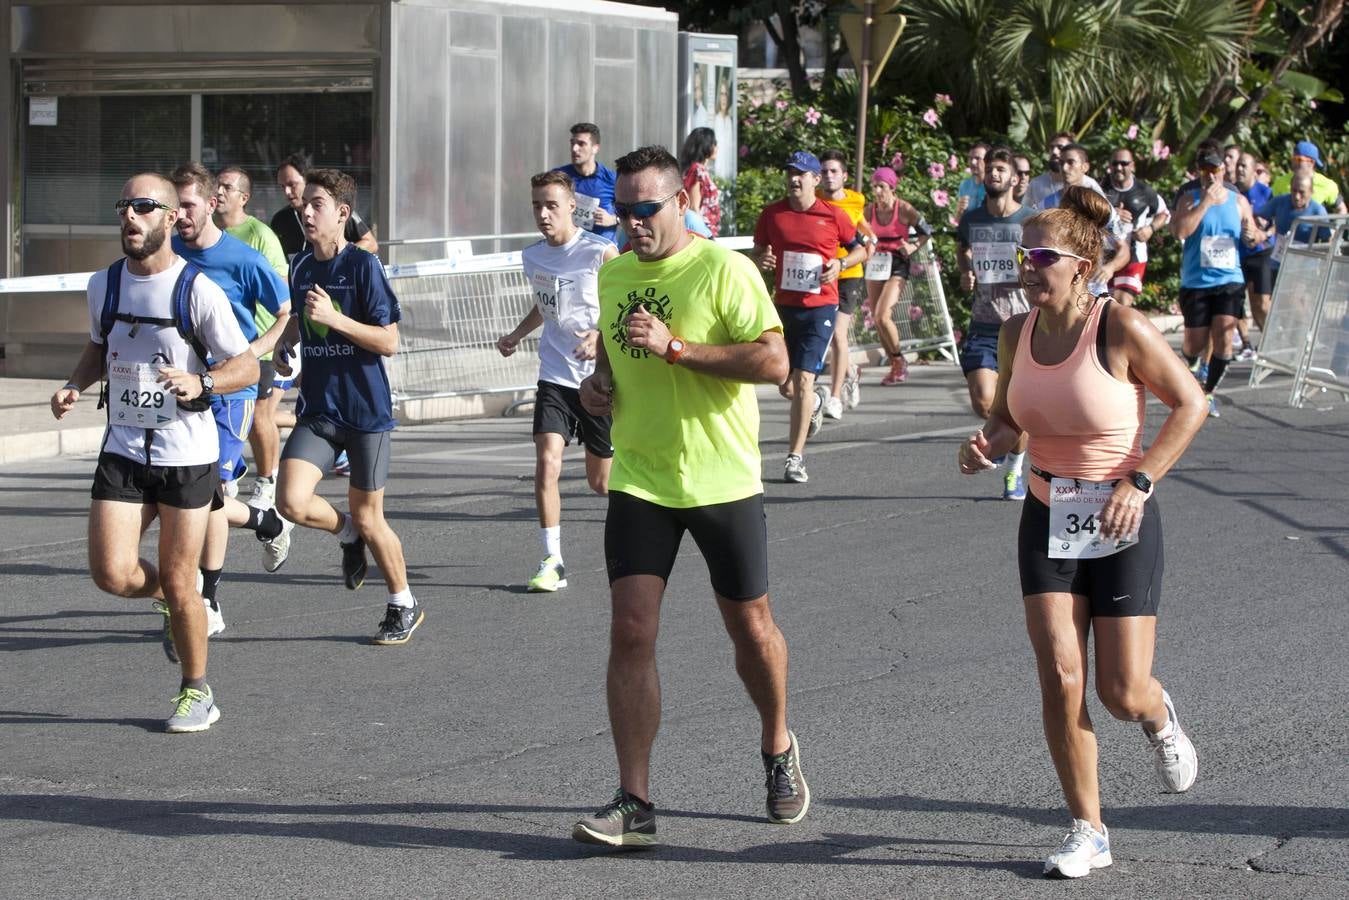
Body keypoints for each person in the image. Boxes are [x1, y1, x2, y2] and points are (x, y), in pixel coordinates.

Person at [957, 185, 1207, 879]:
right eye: (1020, 255)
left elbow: (1191, 404)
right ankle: (1087, 829)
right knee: (1061, 676)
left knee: (1119, 691)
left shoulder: (1119, 327)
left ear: (1080, 265)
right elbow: (1011, 421)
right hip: (1047, 514)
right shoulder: (1015, 333)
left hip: (1120, 515)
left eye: (1039, 256)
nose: (1025, 267)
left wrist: (1141, 479)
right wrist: (986, 444)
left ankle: (1158, 717)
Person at [571, 145, 804, 848]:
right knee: (631, 630)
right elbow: (611, 364)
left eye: (645, 210)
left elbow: (773, 359)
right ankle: (634, 802)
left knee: (750, 629)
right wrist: (597, 390)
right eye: (622, 211)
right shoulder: (612, 275)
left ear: (679, 202)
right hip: (641, 478)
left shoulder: (721, 268)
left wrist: (678, 350)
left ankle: (776, 744)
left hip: (721, 479)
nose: (632, 223)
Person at [51, 173, 259, 732]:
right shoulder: (105, 285)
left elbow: (247, 365)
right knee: (112, 574)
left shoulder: (197, 290)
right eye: (124, 205)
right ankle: (174, 599)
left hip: (185, 454)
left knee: (178, 576)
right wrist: (75, 383)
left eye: (144, 206)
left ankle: (197, 690)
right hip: (123, 446)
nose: (131, 216)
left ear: (170, 218)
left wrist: (205, 385)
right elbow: (101, 346)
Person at [273, 168, 422, 645]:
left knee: (371, 514)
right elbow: (300, 319)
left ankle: (403, 602)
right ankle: (346, 536)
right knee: (291, 501)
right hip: (319, 409)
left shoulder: (363, 266)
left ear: (342, 213)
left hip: (365, 413)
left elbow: (389, 341)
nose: (306, 212)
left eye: (317, 204)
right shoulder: (300, 265)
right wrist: (285, 343)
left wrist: (336, 319)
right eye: (304, 205)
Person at [170, 163, 293, 635]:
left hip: (232, 390)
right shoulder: (171, 253)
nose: (179, 214)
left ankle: (209, 598)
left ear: (211, 204)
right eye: (174, 205)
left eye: (188, 204)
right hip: (184, 389)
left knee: (212, 493)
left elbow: (285, 309)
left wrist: (256, 352)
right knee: (194, 496)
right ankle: (266, 522)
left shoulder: (243, 258)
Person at [497, 171, 618, 592]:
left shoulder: (600, 251)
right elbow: (546, 305)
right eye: (536, 205)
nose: (543, 214)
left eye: (551, 205)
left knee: (600, 482)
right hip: (555, 374)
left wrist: (600, 334)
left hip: (597, 378)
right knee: (547, 461)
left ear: (571, 207)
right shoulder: (533, 257)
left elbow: (622, 303)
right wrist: (516, 333)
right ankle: (553, 559)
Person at [751, 151, 868, 484]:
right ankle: (816, 400)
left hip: (821, 307)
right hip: (785, 307)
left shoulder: (832, 215)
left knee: (802, 381)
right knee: (787, 385)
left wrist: (841, 265)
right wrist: (763, 260)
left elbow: (861, 249)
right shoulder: (772, 214)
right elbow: (760, 251)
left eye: (801, 173)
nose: (794, 178)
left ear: (815, 180)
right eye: (790, 172)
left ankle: (795, 458)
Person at [956, 147, 1033, 500]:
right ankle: (1004, 438)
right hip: (984, 324)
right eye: (990, 169)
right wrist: (964, 272)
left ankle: (1013, 473)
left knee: (1020, 405)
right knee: (984, 402)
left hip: (1022, 325)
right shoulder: (972, 220)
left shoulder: (1029, 221)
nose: (994, 175)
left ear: (1015, 178)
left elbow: (1044, 264)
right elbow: (962, 249)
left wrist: (1029, 275)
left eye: (1001, 169)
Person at [214, 165, 293, 509]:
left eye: (226, 187)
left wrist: (268, 342)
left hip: (256, 345)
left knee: (261, 414)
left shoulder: (260, 235)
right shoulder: (206, 232)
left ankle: (267, 480)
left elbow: (281, 289)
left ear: (243, 198)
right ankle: (227, 471)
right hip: (217, 346)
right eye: (216, 185)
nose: (218, 192)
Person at [1170, 145, 1262, 417]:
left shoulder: (1238, 200)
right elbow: (1180, 231)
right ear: (1199, 172)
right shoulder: (1189, 198)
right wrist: (1206, 202)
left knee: (1224, 336)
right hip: (1196, 282)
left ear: (1224, 169)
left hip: (1229, 280)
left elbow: (1254, 235)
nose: (1211, 176)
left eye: (1216, 169)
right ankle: (1193, 361)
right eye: (1205, 170)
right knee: (1194, 345)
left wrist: (1251, 234)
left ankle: (1208, 393)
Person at [818, 148, 875, 420]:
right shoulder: (812, 199)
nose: (829, 176)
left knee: (838, 334)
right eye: (824, 171)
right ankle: (850, 371)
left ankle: (834, 397)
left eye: (834, 171)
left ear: (844, 176)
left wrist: (871, 242)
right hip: (819, 275)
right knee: (827, 335)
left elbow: (862, 227)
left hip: (849, 273)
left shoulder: (855, 200)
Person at [863, 165, 930, 387]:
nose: (877, 191)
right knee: (876, 317)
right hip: (876, 264)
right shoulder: (868, 211)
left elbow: (926, 232)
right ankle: (894, 364)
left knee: (883, 315)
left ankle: (900, 360)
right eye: (874, 186)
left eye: (881, 186)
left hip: (897, 264)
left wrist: (912, 247)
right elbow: (856, 231)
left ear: (892, 187)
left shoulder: (904, 209)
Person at [271, 154, 378, 259]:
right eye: (282, 186)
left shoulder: (336, 211)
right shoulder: (280, 219)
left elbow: (371, 243)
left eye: (292, 184)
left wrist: (338, 260)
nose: (287, 191)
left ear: (306, 181)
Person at [1101, 148, 1169, 306]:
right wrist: (1111, 213)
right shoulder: (1100, 189)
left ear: (1132, 166)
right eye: (1115, 163)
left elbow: (1164, 213)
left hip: (1134, 255)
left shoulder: (1145, 192)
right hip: (1106, 253)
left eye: (1123, 163)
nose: (1118, 167)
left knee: (1122, 299)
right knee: (1107, 303)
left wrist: (1150, 229)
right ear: (1109, 166)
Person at [554, 123, 619, 244]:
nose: (574, 149)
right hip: (571, 250)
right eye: (572, 143)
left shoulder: (611, 179)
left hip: (604, 252)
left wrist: (614, 219)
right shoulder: (558, 177)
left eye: (581, 144)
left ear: (595, 148)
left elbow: (632, 211)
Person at [1235, 152, 1275, 346]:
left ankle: (1272, 342)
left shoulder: (1266, 193)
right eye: (1238, 166)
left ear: (1253, 170)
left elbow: (1278, 223)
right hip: (1237, 255)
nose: (1240, 169)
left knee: (1262, 305)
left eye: (1244, 166)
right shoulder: (1232, 193)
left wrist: (1264, 234)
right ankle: (1247, 344)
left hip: (1261, 252)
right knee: (1237, 303)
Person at [1257, 173, 1330, 271]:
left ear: (1311, 192)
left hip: (1304, 269)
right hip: (1278, 264)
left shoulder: (1318, 211)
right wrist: (1260, 232)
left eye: (1302, 192)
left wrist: (1322, 266)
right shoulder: (1280, 202)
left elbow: (1327, 241)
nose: (1297, 197)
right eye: (1294, 191)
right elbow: (1256, 215)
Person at [1025, 133, 1107, 211]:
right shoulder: (1036, 183)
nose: (1054, 152)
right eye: (1051, 147)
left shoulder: (1090, 185)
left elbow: (1110, 219)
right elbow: (1025, 214)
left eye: (1060, 147)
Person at [1269, 140, 1346, 214]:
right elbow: (1269, 209)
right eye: (1293, 159)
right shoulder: (1280, 182)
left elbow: (1341, 209)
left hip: (1315, 227)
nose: (1294, 163)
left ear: (1312, 162)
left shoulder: (1327, 185)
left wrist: (1335, 227)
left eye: (1299, 160)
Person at [679, 127, 722, 237]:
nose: (716, 147)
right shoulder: (697, 170)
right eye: (714, 143)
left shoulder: (694, 169)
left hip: (705, 229)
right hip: (702, 231)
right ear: (705, 145)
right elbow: (693, 206)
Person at [955, 142, 989, 221]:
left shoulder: (993, 186)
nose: (973, 162)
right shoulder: (964, 185)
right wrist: (959, 211)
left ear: (988, 161)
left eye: (977, 158)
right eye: (970, 158)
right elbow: (958, 221)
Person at [711, 72, 736, 181]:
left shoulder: (730, 120)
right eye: (721, 94)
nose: (723, 98)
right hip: (717, 172)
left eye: (725, 94)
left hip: (730, 173)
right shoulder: (715, 120)